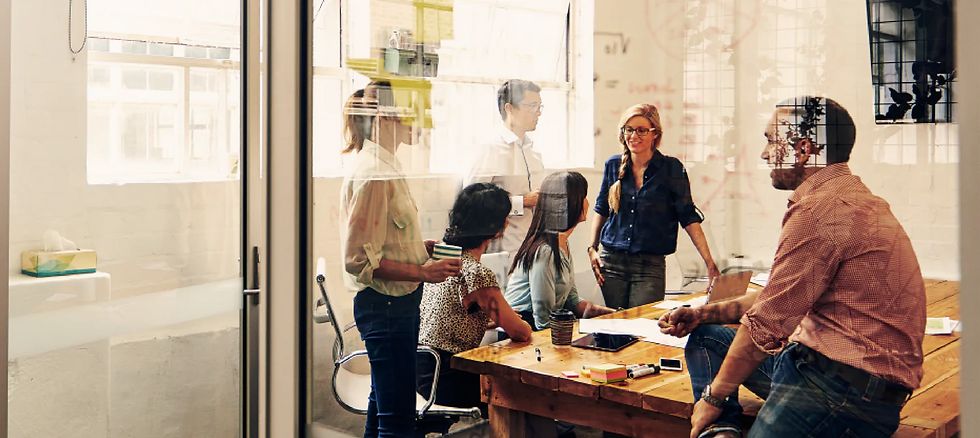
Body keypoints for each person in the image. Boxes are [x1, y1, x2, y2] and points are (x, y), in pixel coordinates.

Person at [658, 97, 926, 438]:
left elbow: (765, 327)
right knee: (707, 335)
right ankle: (724, 431)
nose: (765, 153)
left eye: (771, 140)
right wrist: (703, 314)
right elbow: (776, 301)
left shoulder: (819, 212)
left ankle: (720, 422)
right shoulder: (855, 199)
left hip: (844, 392)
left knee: (726, 377)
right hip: (834, 375)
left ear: (802, 149)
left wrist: (713, 397)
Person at [339, 82, 462, 438]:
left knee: (383, 410)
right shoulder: (374, 173)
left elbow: (381, 243)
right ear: (388, 116)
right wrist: (422, 271)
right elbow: (359, 261)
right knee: (398, 423)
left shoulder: (386, 166)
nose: (423, 121)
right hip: (386, 307)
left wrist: (412, 247)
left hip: (398, 304)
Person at [415, 183, 532, 434]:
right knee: (522, 394)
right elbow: (520, 333)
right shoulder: (477, 273)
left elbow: (453, 312)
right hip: (444, 378)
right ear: (498, 228)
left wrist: (487, 320)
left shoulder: (440, 255)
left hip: (421, 368)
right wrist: (520, 323)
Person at [589, 103, 720, 310]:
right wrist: (592, 248)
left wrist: (710, 263)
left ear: (655, 134)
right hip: (610, 262)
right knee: (611, 329)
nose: (634, 136)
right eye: (629, 129)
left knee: (642, 327)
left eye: (641, 130)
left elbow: (688, 217)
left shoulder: (671, 169)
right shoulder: (613, 165)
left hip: (649, 266)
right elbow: (601, 209)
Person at [505, 171, 615, 331]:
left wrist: (616, 316)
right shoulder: (545, 251)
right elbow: (543, 318)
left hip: (544, 328)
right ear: (572, 204)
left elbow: (572, 300)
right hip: (524, 331)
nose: (587, 202)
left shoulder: (562, 243)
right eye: (584, 196)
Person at [465, 79, 548, 273]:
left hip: (534, 251)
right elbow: (472, 203)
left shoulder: (533, 152)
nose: (539, 112)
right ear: (510, 108)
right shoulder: (489, 149)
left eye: (539, 106)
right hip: (503, 254)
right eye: (532, 106)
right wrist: (522, 202)